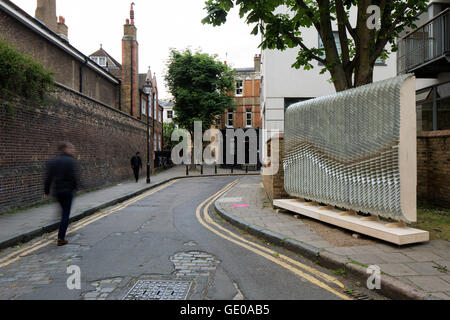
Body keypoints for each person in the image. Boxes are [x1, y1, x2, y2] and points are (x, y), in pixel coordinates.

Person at [44, 142, 80, 247]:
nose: (72, 150)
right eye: (71, 148)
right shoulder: (71, 161)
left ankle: (61, 225)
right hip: (68, 191)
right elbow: (74, 176)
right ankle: (61, 238)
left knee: (62, 211)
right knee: (65, 214)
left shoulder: (53, 161)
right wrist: (76, 188)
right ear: (66, 149)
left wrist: (46, 192)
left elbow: (48, 178)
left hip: (57, 192)